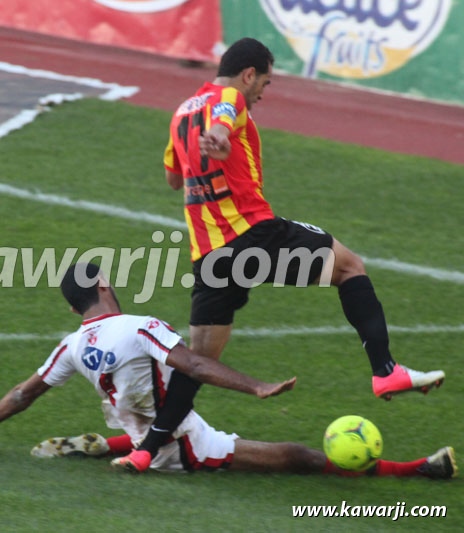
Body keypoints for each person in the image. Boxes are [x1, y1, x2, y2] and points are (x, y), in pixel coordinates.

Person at [117, 37, 446, 472]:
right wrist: (218, 134)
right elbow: (226, 110)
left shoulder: (180, 114)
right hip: (253, 236)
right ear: (249, 73)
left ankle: (144, 452)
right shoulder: (228, 98)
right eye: (265, 83)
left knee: (199, 362)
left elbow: (173, 179)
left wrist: (208, 149)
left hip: (210, 257)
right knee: (349, 267)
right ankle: (385, 368)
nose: (262, 94)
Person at [0, 263, 457, 480]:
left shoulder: (72, 346)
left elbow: (23, 393)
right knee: (295, 458)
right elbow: (193, 364)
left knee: (142, 419)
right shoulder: (138, 326)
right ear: (100, 288)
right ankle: (421, 470)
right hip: (182, 446)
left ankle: (102, 444)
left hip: (145, 427)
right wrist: (255, 385)